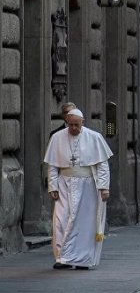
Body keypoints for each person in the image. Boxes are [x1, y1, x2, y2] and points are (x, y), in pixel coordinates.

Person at [44, 108, 113, 270]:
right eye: (71, 125)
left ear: (83, 122)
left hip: (87, 185)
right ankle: (62, 258)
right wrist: (52, 186)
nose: (73, 128)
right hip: (64, 184)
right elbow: (53, 165)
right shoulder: (57, 138)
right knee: (60, 221)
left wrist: (104, 187)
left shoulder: (94, 137)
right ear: (66, 122)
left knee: (84, 224)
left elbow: (102, 166)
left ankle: (82, 259)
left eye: (76, 125)